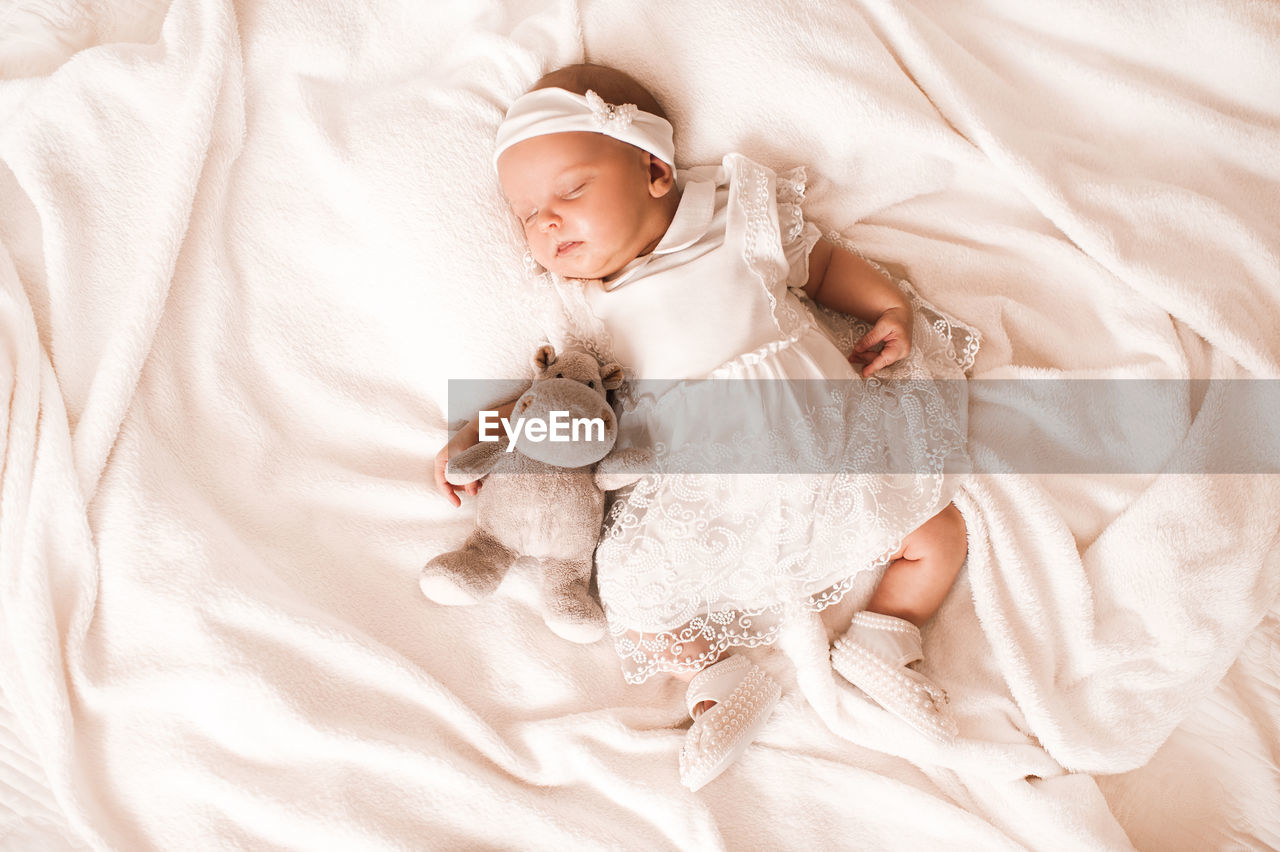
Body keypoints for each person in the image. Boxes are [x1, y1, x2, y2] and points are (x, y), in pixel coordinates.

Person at [430, 64, 976, 791]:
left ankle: (886, 634)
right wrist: (481, 430)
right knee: (634, 597)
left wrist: (888, 309)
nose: (547, 221)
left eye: (570, 191)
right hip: (699, 489)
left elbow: (823, 268)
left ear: (654, 170)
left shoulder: (738, 213)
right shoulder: (584, 307)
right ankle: (718, 681)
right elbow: (556, 401)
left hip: (822, 442)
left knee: (934, 531)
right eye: (528, 213)